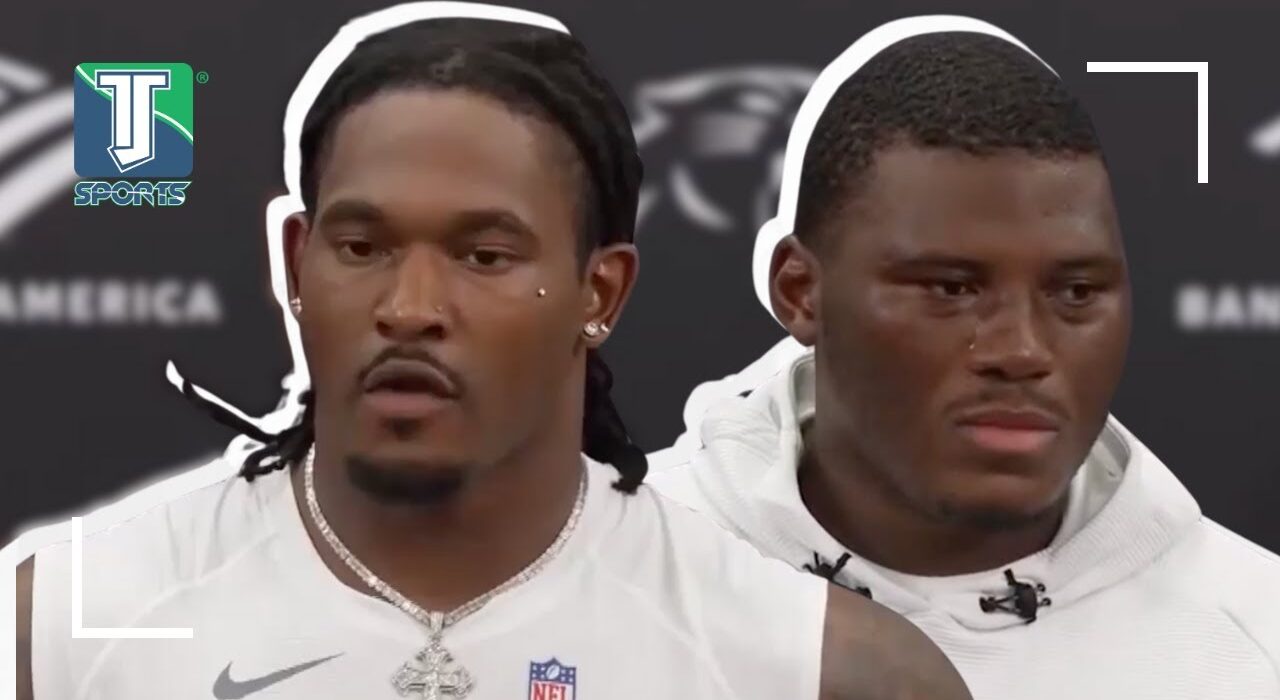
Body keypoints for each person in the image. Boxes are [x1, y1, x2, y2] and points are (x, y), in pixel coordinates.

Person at [12, 10, 970, 700]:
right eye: (363, 247)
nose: (409, 308)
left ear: (601, 293)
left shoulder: (816, 670)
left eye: (484, 256)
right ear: (296, 263)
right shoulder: (54, 631)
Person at [649, 29, 1280, 700]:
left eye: (1075, 293)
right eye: (951, 288)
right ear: (800, 290)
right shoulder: (609, 572)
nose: (1021, 352)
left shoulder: (1257, 637)